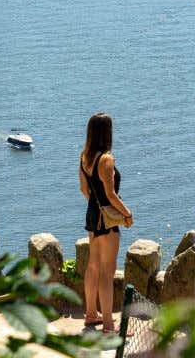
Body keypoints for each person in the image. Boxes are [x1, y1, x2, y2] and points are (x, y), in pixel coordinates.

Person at [78, 113, 133, 332]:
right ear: (107, 133)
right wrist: (127, 214)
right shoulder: (106, 160)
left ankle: (91, 314)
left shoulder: (85, 157)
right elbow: (111, 195)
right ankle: (109, 325)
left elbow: (84, 189)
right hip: (106, 220)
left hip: (92, 214)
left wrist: (96, 206)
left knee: (93, 265)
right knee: (107, 272)